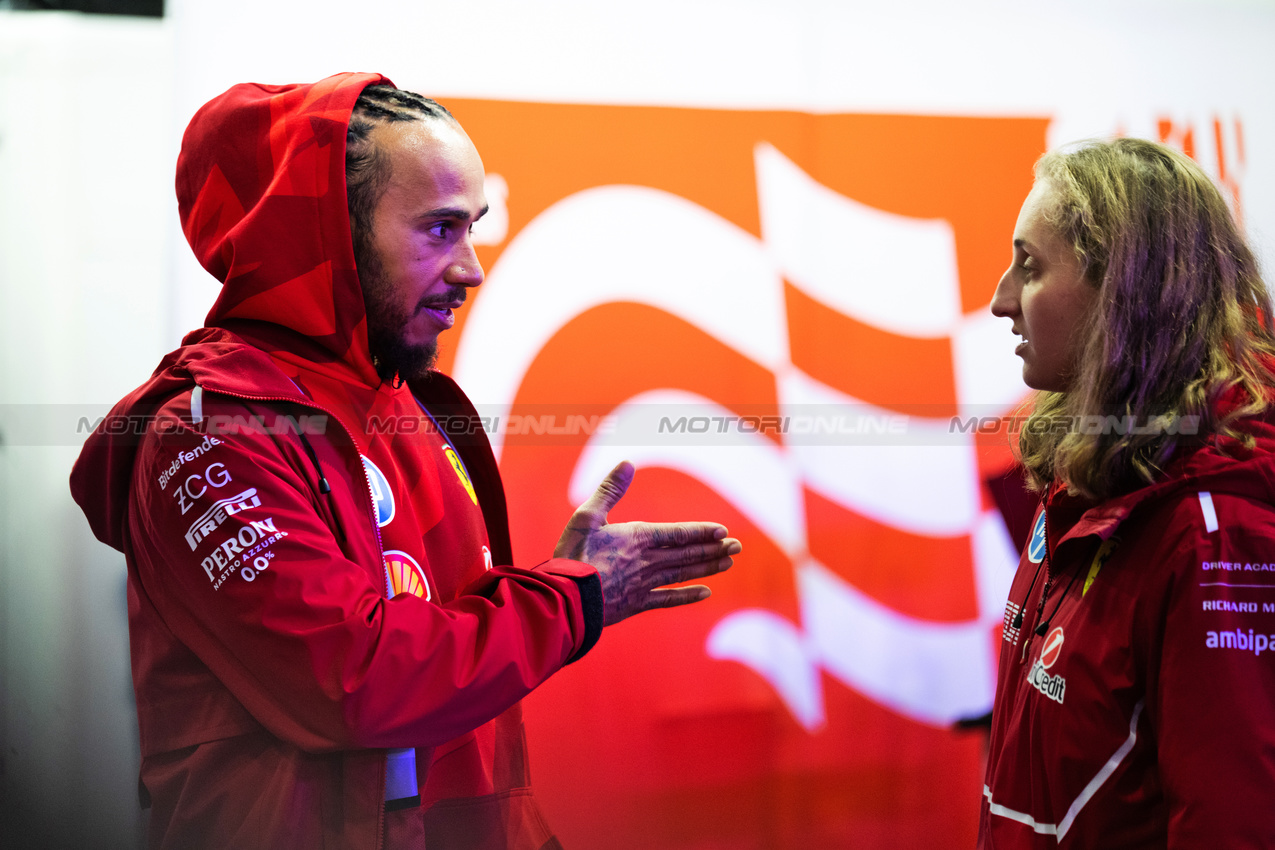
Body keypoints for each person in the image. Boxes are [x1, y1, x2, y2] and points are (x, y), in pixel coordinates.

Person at [69, 73, 740, 850]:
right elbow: (353, 683)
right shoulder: (209, 432)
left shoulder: (418, 409)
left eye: (473, 228)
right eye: (439, 230)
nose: (471, 269)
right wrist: (566, 602)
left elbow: (458, 715)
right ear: (330, 233)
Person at [980, 137, 1275, 847]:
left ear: (1121, 292)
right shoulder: (1079, 480)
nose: (1000, 301)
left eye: (1030, 265)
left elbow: (1230, 823)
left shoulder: (1213, 528)